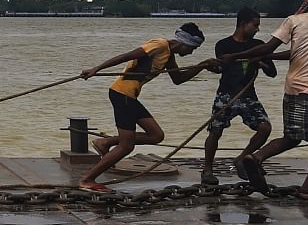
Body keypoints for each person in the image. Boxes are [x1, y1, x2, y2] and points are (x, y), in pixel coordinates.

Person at [219, 0, 308, 200]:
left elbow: (270, 48)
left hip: (293, 89)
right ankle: (307, 187)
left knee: (292, 136)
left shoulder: (295, 20)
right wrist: (250, 57)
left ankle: (257, 157)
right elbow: (299, 53)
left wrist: (237, 56)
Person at [76, 22, 218, 192]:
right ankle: (87, 179)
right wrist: (96, 69)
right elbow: (126, 56)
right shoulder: (159, 45)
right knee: (126, 146)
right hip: (122, 94)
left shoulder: (169, 55)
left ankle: (105, 142)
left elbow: (178, 79)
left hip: (129, 97)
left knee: (156, 135)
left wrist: (202, 66)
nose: (191, 52)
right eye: (192, 48)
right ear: (184, 43)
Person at [201, 8, 279, 185]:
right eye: (255, 25)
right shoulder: (223, 45)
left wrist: (260, 62)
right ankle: (207, 169)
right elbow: (222, 68)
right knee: (215, 131)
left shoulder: (259, 45)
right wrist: (210, 66)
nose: (257, 29)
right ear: (243, 25)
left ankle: (243, 159)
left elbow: (272, 72)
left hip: (248, 95)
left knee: (265, 128)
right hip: (226, 94)